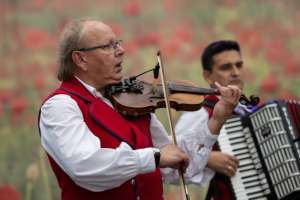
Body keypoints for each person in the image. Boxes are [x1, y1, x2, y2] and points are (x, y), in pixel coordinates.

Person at [38, 19, 241, 200]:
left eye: (118, 43)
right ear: (80, 59)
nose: (121, 50)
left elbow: (178, 167)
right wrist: (153, 158)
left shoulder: (131, 101)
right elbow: (85, 167)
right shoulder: (61, 106)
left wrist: (216, 121)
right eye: (109, 46)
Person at [176, 40, 252, 200]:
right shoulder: (198, 112)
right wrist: (208, 159)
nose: (236, 72)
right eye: (226, 67)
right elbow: (173, 154)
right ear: (208, 76)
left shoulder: (247, 109)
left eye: (239, 65)